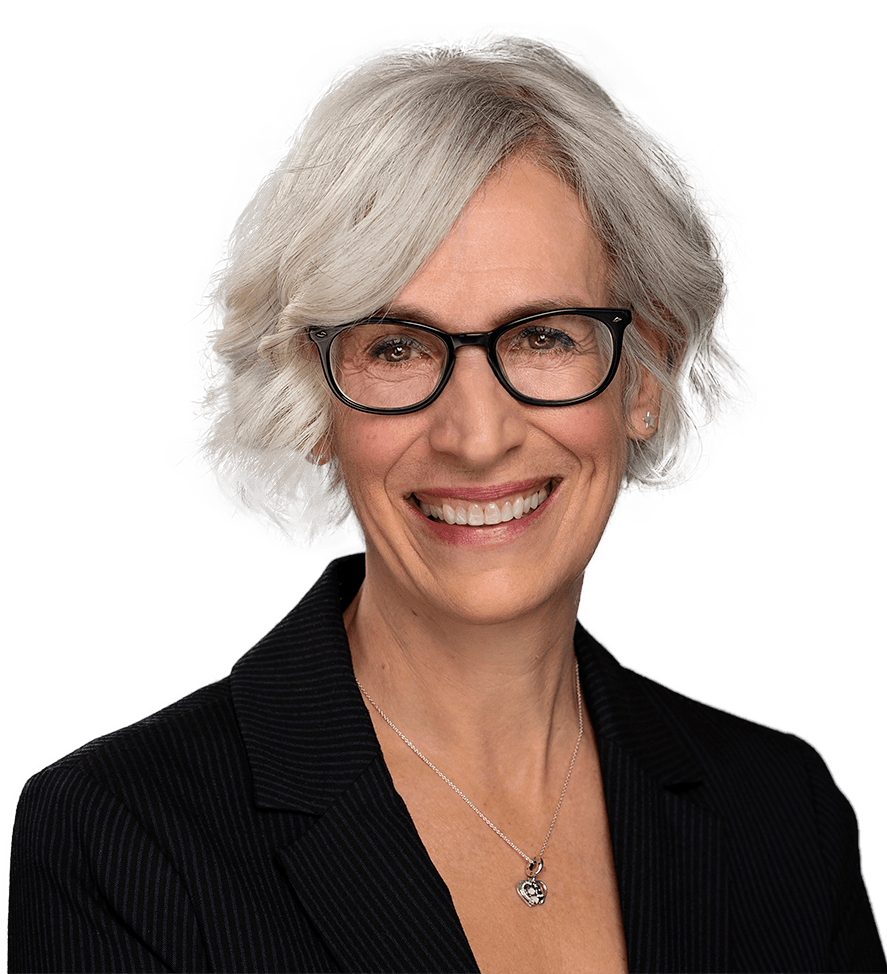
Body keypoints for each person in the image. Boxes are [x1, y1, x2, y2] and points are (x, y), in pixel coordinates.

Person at [8, 33, 885, 974]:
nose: (475, 436)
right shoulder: (123, 835)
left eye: (544, 336)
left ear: (643, 376)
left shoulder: (781, 811)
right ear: (313, 396)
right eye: (395, 347)